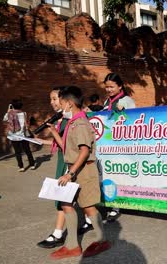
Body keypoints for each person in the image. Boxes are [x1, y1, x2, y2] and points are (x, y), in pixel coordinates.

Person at [46, 86, 110, 259]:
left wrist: (70, 174)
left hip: (83, 170)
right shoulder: (73, 122)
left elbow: (83, 151)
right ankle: (73, 245)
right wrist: (53, 131)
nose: (58, 105)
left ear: (68, 103)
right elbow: (67, 148)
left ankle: (102, 240)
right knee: (66, 204)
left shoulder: (80, 123)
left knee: (88, 207)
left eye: (60, 101)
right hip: (74, 168)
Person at [35, 87, 70, 248]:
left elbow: (68, 146)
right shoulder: (59, 118)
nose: (52, 102)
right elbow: (59, 143)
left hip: (70, 162)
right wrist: (42, 142)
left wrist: (53, 131)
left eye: (55, 99)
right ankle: (92, 222)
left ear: (64, 99)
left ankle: (58, 234)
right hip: (62, 160)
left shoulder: (72, 119)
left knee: (63, 197)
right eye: (51, 99)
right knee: (69, 198)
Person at [102, 73, 136, 222]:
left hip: (123, 145)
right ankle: (113, 203)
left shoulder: (127, 101)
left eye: (112, 86)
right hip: (108, 144)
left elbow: (136, 120)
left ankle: (119, 205)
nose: (109, 89)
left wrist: (124, 112)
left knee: (121, 174)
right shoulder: (106, 102)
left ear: (120, 86)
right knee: (110, 174)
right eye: (106, 87)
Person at [3, 99, 36, 172]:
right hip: (23, 135)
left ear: (12, 106)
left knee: (17, 152)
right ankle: (32, 164)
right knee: (27, 150)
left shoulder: (9, 114)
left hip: (13, 136)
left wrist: (8, 110)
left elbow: (4, 120)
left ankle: (21, 167)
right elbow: (26, 123)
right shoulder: (24, 113)